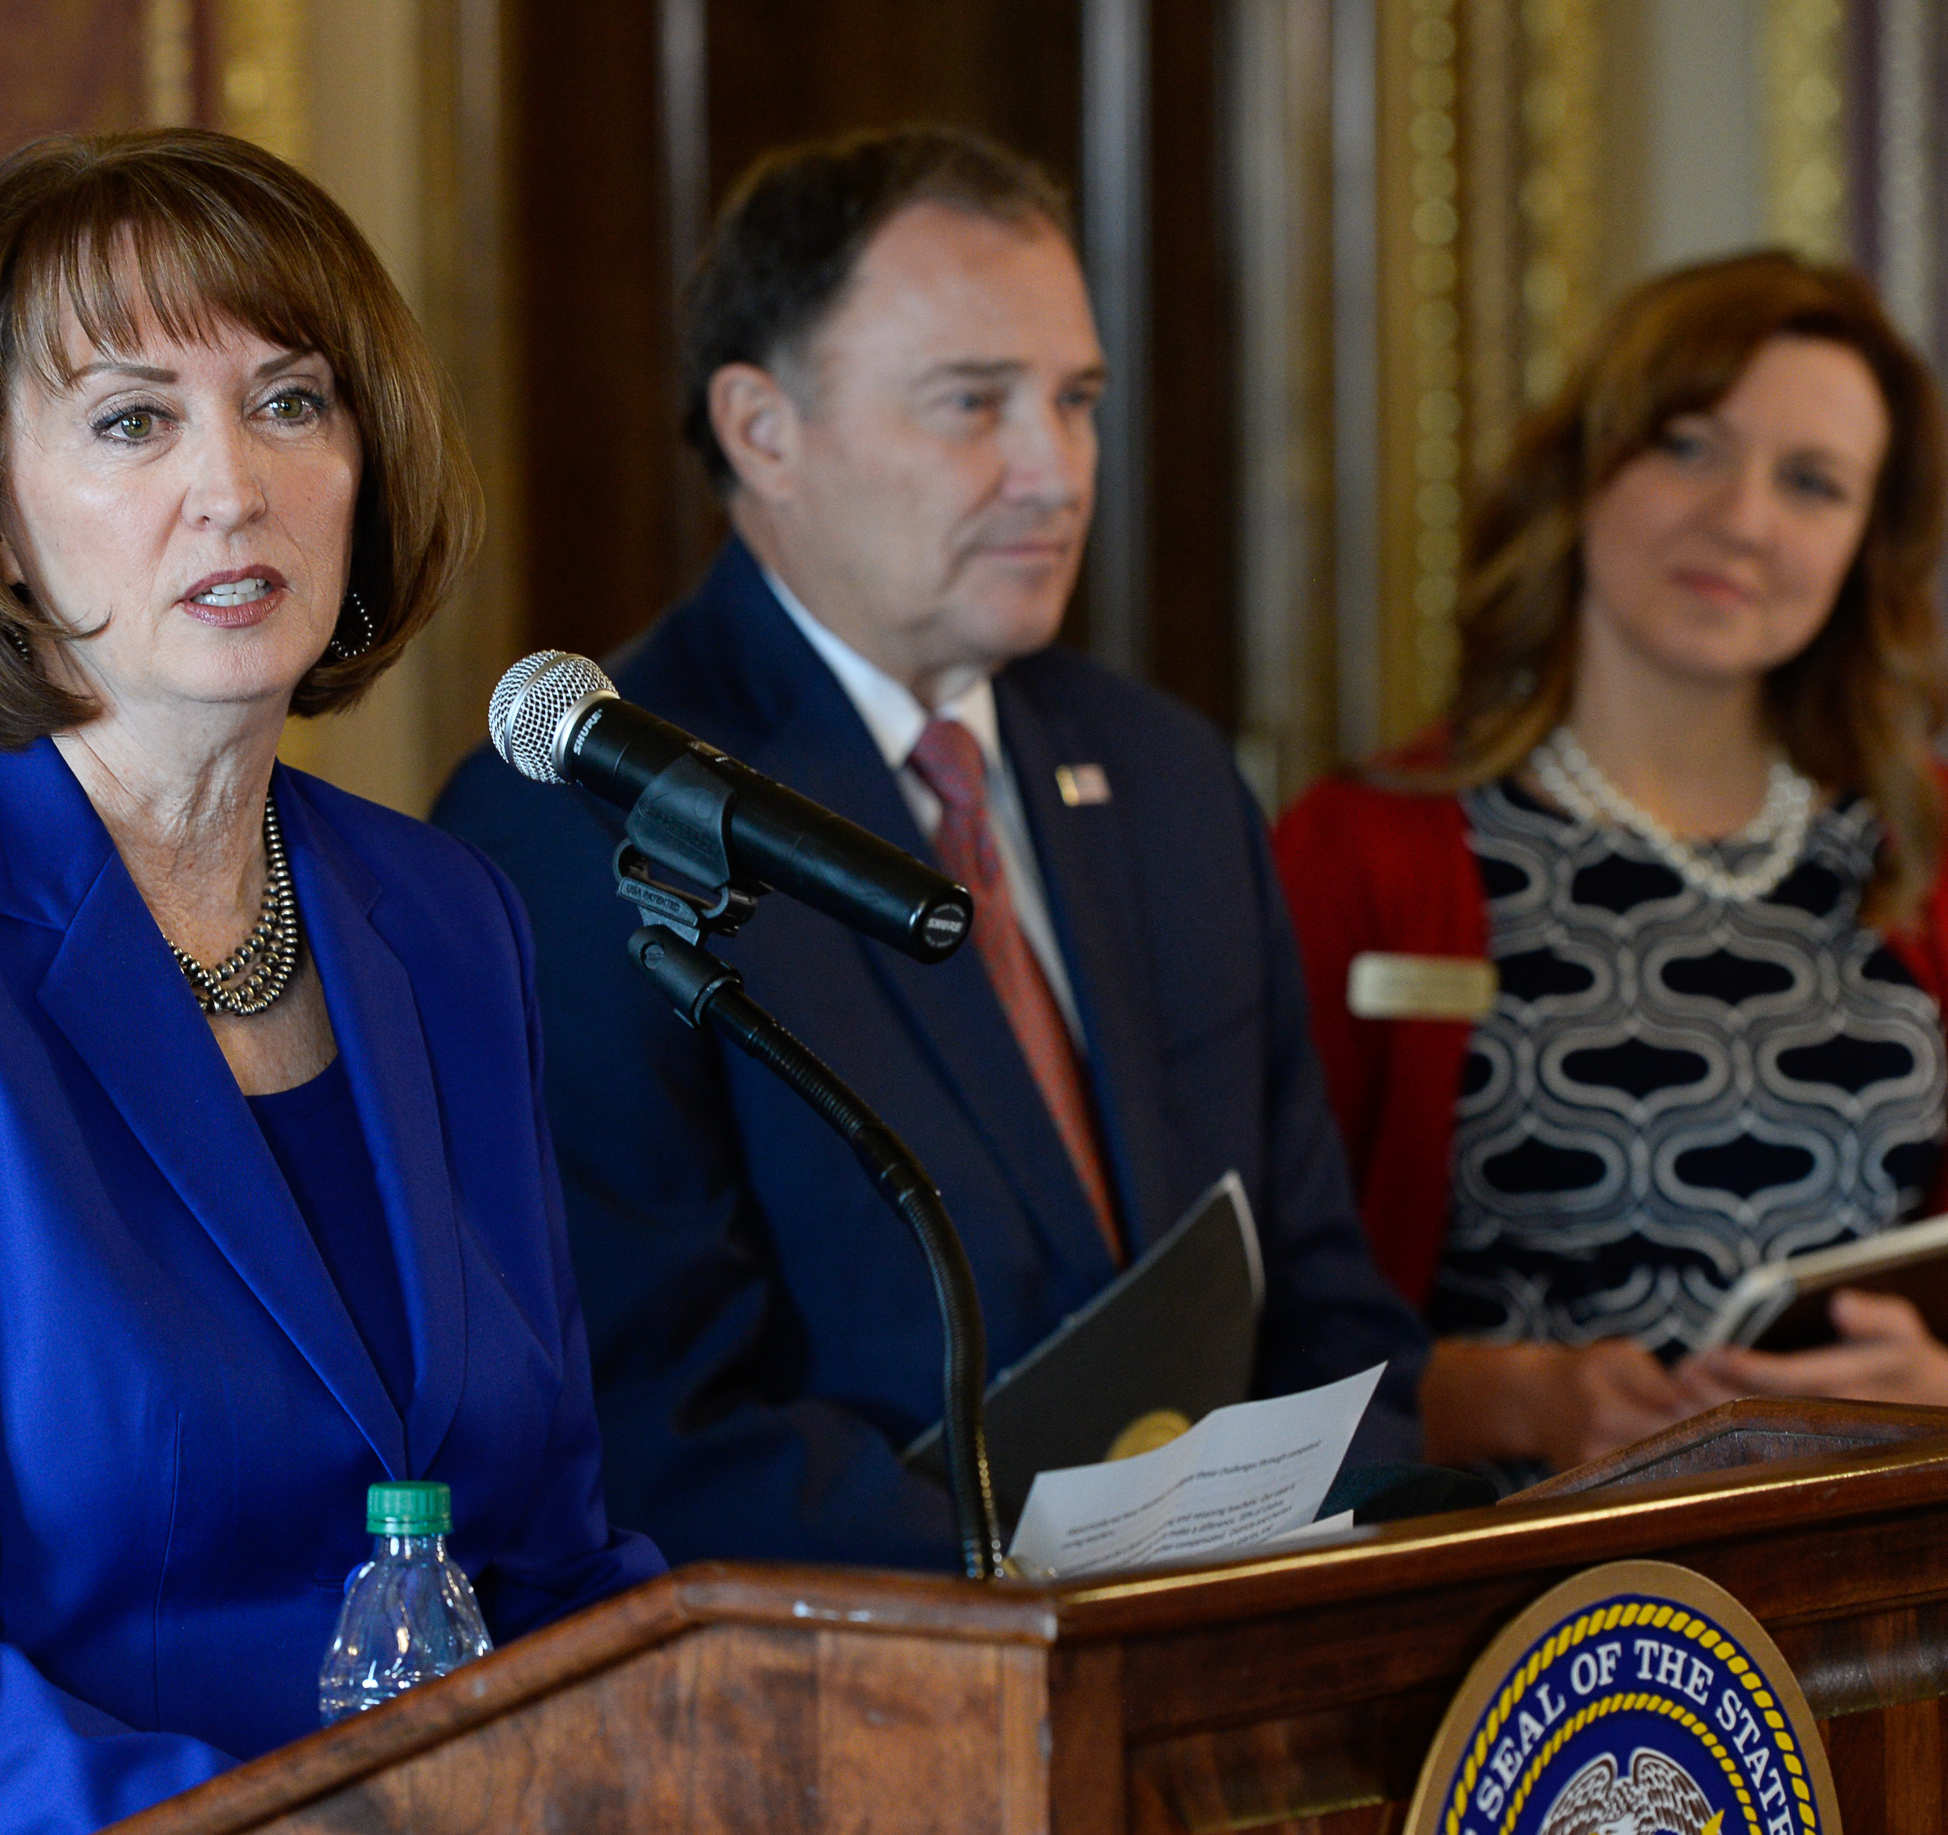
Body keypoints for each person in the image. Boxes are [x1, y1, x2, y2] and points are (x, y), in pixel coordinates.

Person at [0, 130, 660, 1831]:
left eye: (291, 402)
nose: (233, 486)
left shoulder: (448, 918)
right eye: (132, 420)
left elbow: (548, 1555)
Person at [434, 125, 1427, 1571]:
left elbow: (1330, 1298)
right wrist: (1033, 1601)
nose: (1056, 470)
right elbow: (656, 1416)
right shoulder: (577, 815)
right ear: (763, 430)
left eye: (1077, 400)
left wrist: (1324, 1541)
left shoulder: (1167, 775)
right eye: (974, 404)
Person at [1272, 251, 1948, 1479]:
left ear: (1864, 545)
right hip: (1484, 1611)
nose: (1740, 519)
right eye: (1688, 446)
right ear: (1583, 464)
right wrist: (1511, 1400)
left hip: (1860, 1610)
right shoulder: (1363, 846)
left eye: (1811, 483)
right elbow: (1249, 1342)